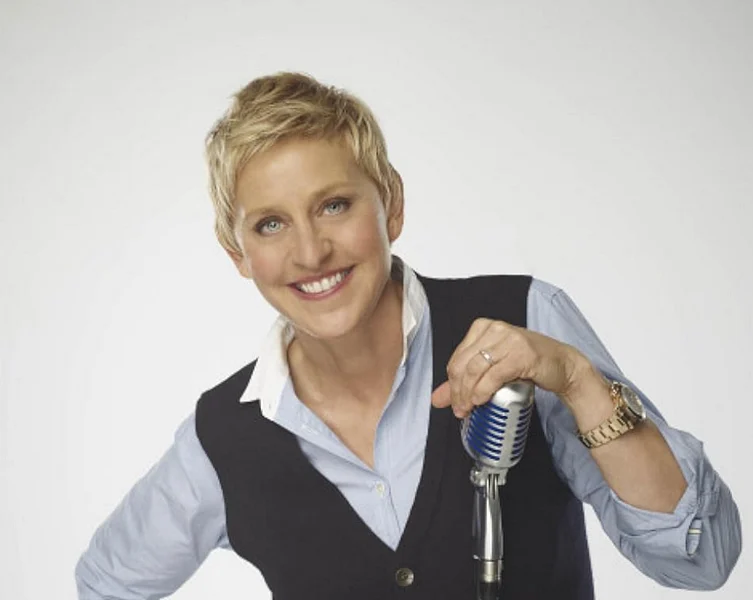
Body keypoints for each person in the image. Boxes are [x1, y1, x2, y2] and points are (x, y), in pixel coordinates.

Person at [75, 72, 741, 599]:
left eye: (334, 205)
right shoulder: (223, 436)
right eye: (270, 225)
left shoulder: (525, 318)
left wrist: (578, 381)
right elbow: (105, 584)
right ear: (236, 252)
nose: (310, 252)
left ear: (390, 202)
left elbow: (700, 559)